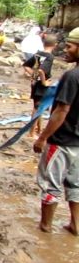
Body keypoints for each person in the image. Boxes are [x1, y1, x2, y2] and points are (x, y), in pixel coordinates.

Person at [33, 27, 79, 236]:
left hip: (62, 140)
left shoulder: (72, 76)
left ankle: (45, 226)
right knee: (75, 185)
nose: (66, 50)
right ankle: (75, 225)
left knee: (50, 184)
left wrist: (43, 137)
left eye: (70, 46)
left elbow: (62, 110)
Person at [23, 35, 57, 137]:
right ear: (55, 45)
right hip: (41, 85)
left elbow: (25, 65)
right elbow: (42, 70)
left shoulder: (38, 53)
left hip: (34, 83)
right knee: (37, 108)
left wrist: (33, 75)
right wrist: (44, 82)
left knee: (39, 106)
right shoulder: (50, 57)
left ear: (43, 44)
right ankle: (31, 133)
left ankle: (38, 130)